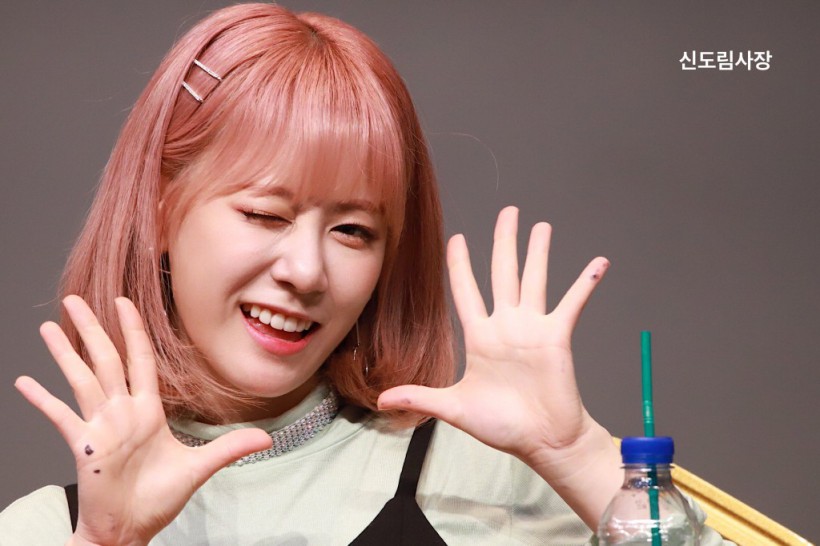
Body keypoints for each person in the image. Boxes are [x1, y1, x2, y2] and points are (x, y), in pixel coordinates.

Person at [0, 4, 728, 545]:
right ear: (160, 212)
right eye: (265, 214)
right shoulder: (50, 530)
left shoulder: (480, 482)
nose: (307, 271)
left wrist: (579, 458)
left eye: (353, 231)